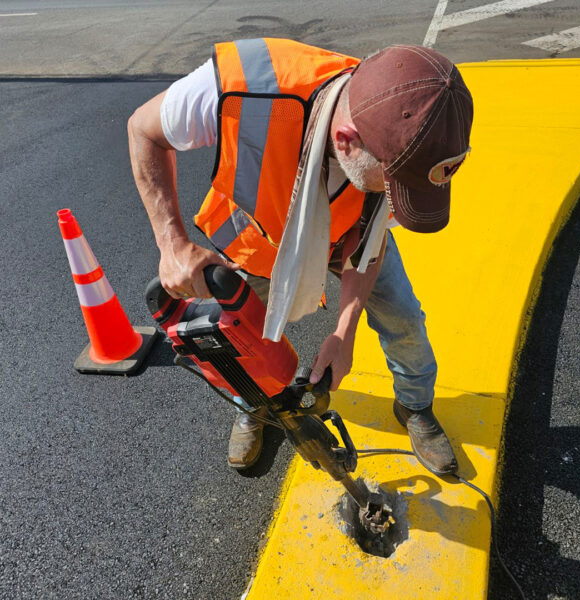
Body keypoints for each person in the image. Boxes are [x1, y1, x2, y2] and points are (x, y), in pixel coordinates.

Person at [128, 38, 473, 475]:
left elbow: (369, 238)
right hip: (257, 237)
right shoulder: (242, 87)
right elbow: (142, 129)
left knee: (402, 315)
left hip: (344, 228)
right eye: (391, 186)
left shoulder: (397, 122)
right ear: (346, 140)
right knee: (247, 340)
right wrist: (172, 244)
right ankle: (253, 406)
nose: (395, 198)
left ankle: (415, 406)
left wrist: (344, 332)